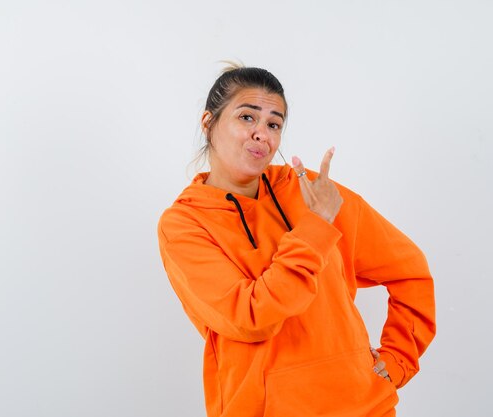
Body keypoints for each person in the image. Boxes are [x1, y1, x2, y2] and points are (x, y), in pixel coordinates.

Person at [157, 64, 436, 417]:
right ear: (208, 123)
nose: (262, 134)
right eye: (247, 117)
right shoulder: (184, 224)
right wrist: (316, 228)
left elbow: (409, 270)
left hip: (365, 407)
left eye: (274, 124)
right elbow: (251, 318)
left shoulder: (311, 191)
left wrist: (398, 359)